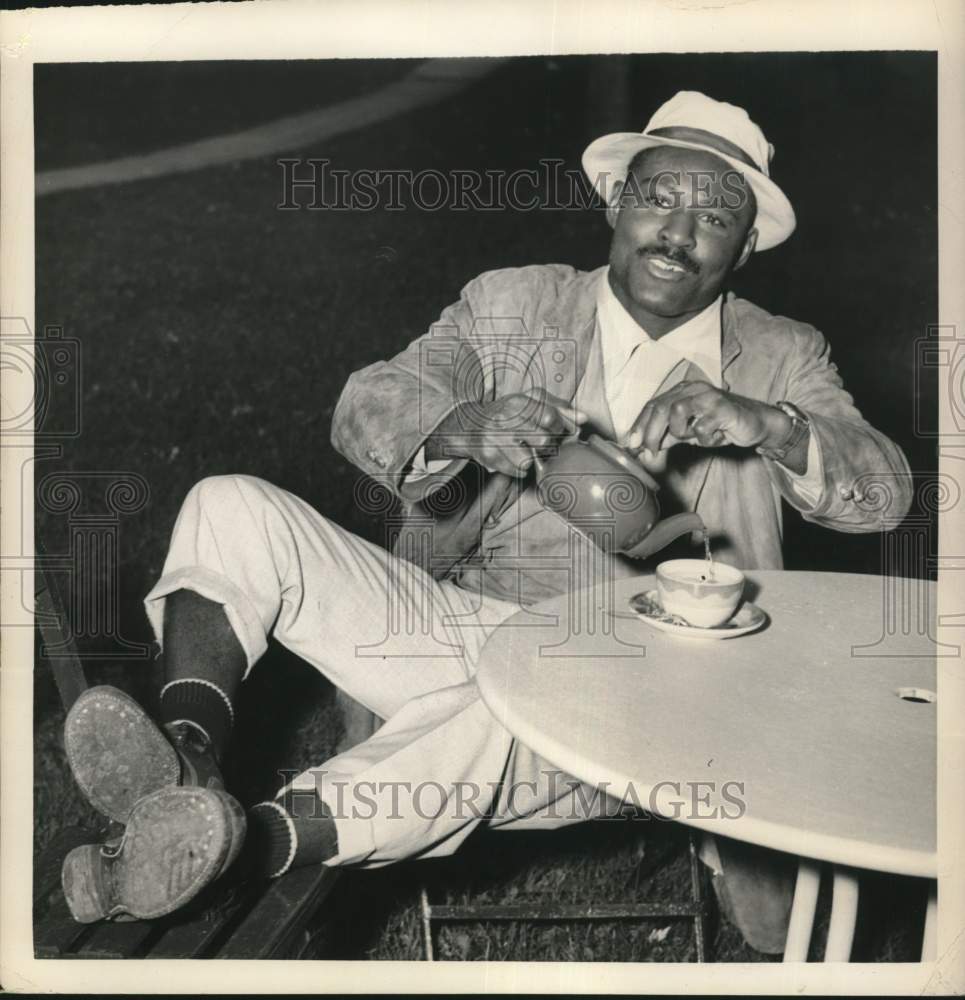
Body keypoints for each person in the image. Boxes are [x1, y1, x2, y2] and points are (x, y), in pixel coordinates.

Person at [60, 91, 912, 952]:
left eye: (716, 216)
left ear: (746, 244)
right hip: (466, 626)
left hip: (651, 690)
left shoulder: (781, 355)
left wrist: (768, 425)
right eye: (659, 198)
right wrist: (466, 427)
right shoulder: (514, 304)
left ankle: (236, 846)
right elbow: (369, 402)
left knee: (494, 718)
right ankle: (183, 759)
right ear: (617, 201)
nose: (679, 232)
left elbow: (883, 490)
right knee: (228, 502)